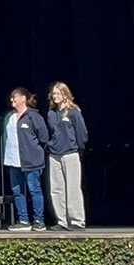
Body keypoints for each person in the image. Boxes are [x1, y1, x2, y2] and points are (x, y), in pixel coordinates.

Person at [3, 87, 50, 231]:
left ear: (23, 99)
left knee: (34, 189)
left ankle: (39, 220)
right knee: (17, 191)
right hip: (13, 160)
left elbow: (44, 138)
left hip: (31, 161)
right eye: (11, 97)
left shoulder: (33, 116)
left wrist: (34, 153)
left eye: (14, 97)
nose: (12, 100)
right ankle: (23, 220)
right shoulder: (9, 117)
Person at [45, 82, 89, 231]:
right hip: (54, 154)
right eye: (53, 94)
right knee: (56, 189)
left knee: (73, 187)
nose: (55, 96)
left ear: (65, 94)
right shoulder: (51, 114)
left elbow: (81, 133)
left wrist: (78, 148)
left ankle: (77, 220)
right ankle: (61, 220)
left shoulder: (73, 112)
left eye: (58, 93)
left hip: (70, 153)